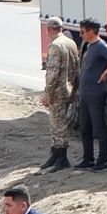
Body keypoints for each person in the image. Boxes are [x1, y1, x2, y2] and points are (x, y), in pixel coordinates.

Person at [75, 19, 107, 172]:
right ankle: (87, 159)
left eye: (82, 32)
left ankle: (102, 162)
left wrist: (106, 73)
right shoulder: (88, 45)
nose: (81, 35)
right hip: (85, 93)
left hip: (95, 93)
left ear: (91, 31)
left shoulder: (101, 45)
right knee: (85, 128)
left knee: (99, 129)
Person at [38, 16, 79, 172]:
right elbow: (77, 67)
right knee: (60, 123)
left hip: (58, 91)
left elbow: (53, 72)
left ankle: (61, 158)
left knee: (58, 125)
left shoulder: (56, 45)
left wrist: (47, 93)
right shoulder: (71, 42)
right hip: (69, 88)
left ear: (49, 29)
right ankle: (55, 156)